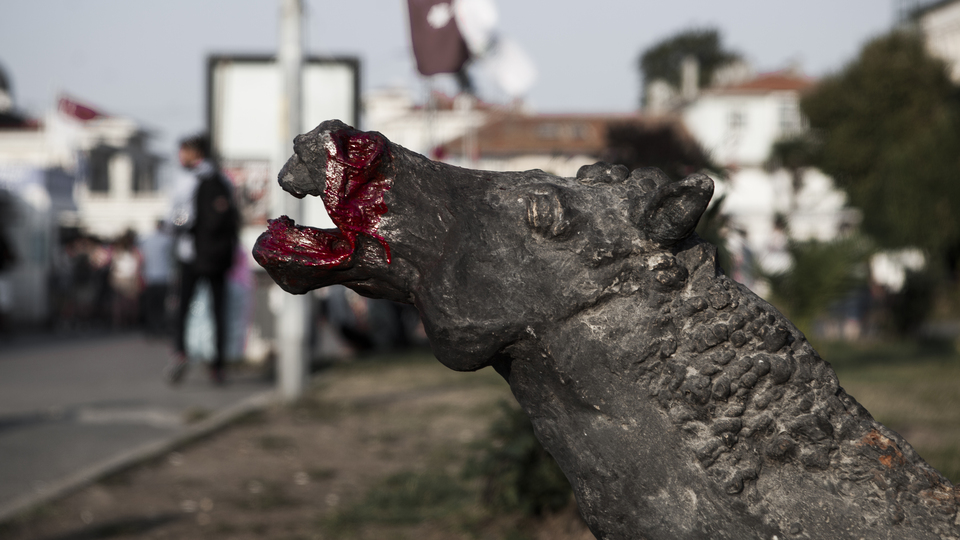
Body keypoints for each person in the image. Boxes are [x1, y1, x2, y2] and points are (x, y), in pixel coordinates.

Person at [166, 134, 239, 385]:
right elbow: (233, 217)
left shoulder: (186, 180)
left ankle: (181, 353)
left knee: (183, 308)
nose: (179, 157)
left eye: (182, 151)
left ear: (193, 153)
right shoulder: (223, 179)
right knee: (219, 310)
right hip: (217, 255)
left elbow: (178, 219)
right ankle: (217, 366)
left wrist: (176, 226)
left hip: (190, 254)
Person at [140, 219, 173, 337]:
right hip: (163, 277)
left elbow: (142, 259)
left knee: (150, 306)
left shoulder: (146, 240)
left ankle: (151, 329)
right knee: (161, 306)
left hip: (150, 277)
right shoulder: (167, 240)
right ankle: (159, 328)